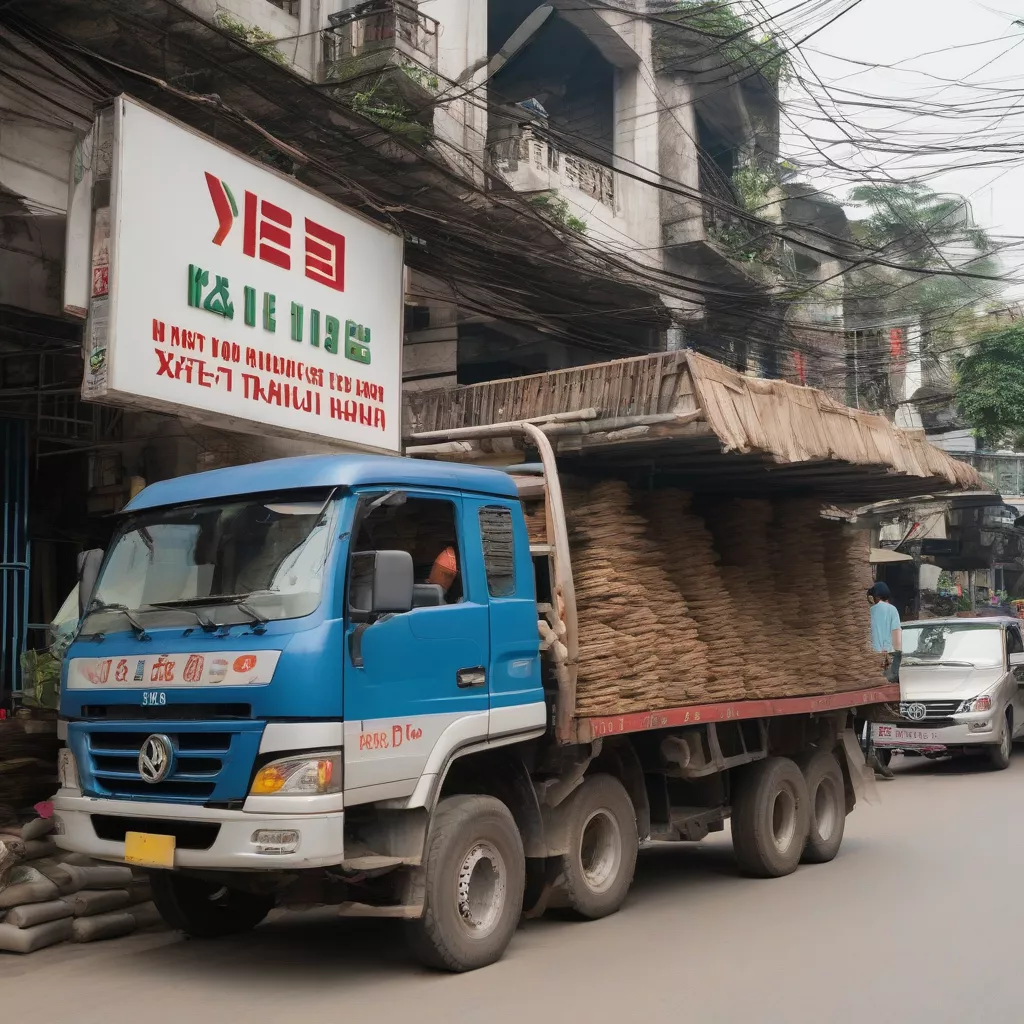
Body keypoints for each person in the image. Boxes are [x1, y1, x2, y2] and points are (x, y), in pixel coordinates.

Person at [865, 581, 902, 780]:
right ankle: (876, 750)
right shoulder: (892, 610)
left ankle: (870, 750)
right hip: (886, 661)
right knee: (882, 708)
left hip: (869, 661)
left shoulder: (870, 612)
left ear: (875, 596)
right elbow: (897, 638)